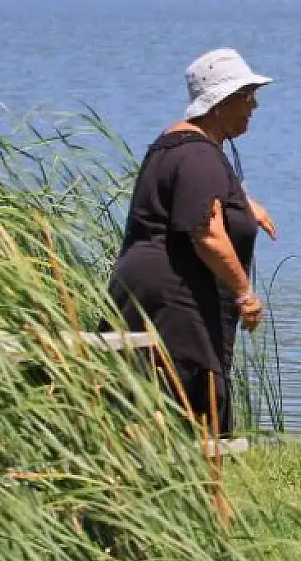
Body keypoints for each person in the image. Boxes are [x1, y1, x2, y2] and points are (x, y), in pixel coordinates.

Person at [109, 49, 277, 438]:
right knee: (198, 403)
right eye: (246, 96)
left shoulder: (172, 147)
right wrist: (244, 294)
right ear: (219, 103)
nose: (253, 106)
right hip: (176, 298)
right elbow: (206, 234)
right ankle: (205, 497)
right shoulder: (199, 155)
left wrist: (242, 204)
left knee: (147, 399)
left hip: (141, 289)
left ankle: (150, 492)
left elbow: (186, 198)